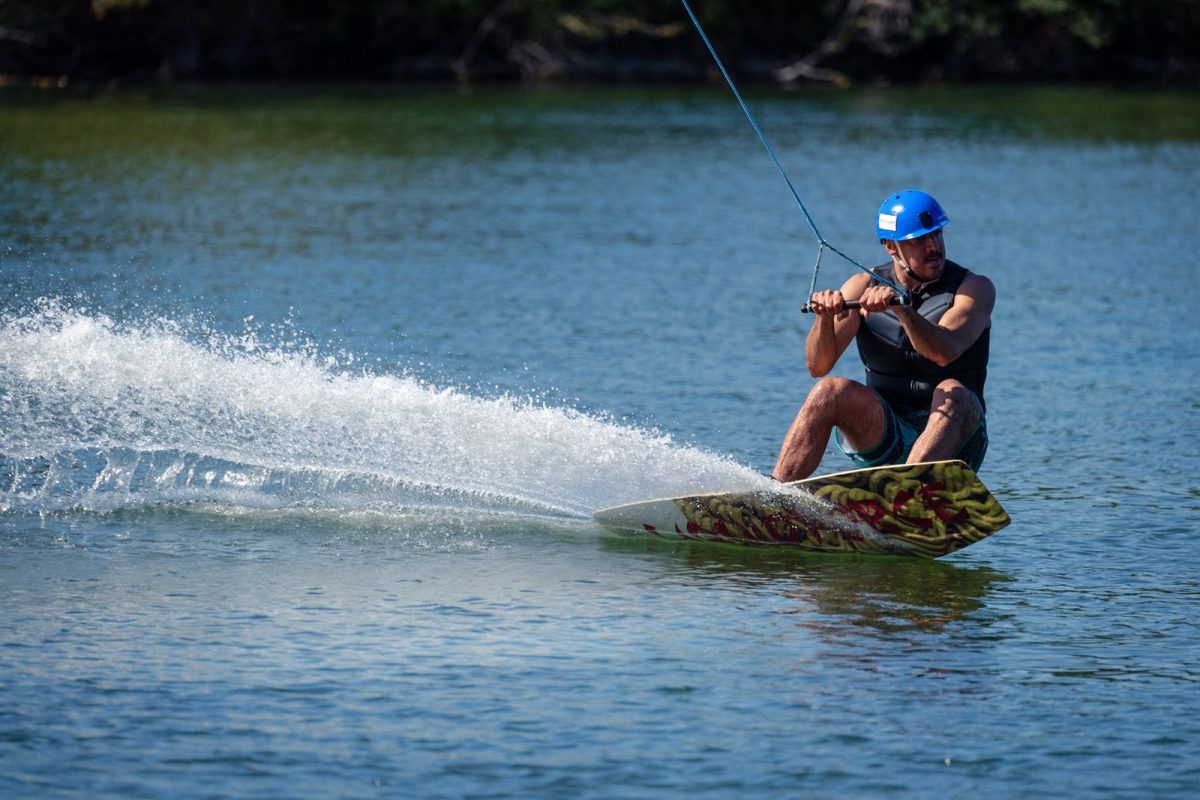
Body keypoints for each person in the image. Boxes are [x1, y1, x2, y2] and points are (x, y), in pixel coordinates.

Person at [772, 189, 994, 482]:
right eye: (919, 241)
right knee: (830, 390)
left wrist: (901, 310)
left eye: (937, 235)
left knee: (952, 390)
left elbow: (944, 351)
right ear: (891, 247)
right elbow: (818, 365)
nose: (934, 247)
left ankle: (904, 492)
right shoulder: (861, 285)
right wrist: (823, 320)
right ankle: (776, 494)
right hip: (887, 431)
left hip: (958, 440)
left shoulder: (973, 288)